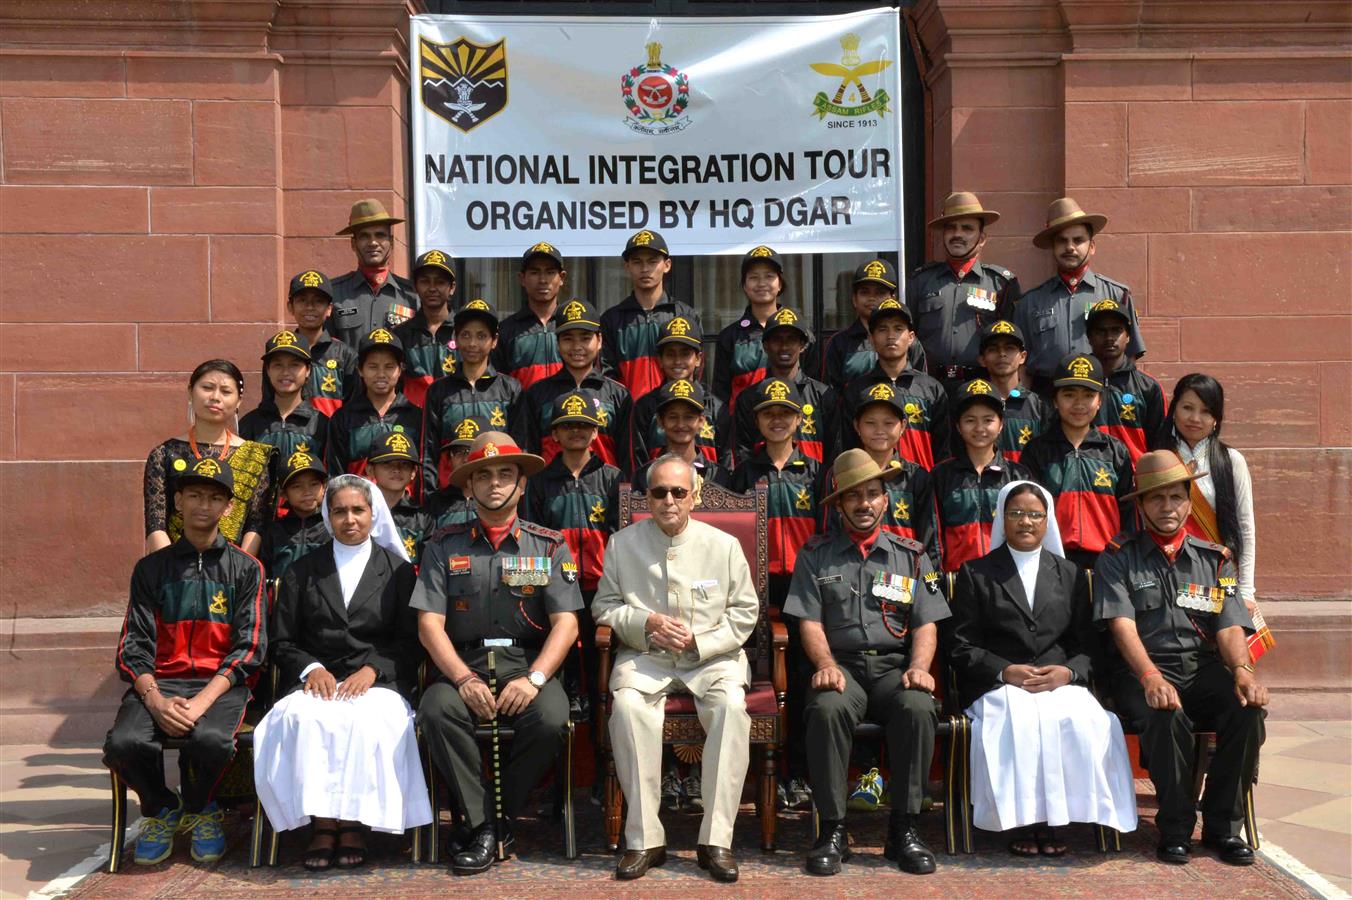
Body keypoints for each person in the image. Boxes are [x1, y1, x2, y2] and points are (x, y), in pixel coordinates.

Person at [413, 432, 581, 875]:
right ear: (467, 487)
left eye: (505, 474)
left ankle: (489, 821)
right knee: (435, 710)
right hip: (462, 665)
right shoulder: (443, 545)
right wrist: (463, 679)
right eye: (482, 475)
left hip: (525, 665)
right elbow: (429, 624)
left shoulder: (548, 545)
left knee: (550, 718)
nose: (493, 483)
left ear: (522, 484)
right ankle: (487, 821)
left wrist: (537, 679)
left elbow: (567, 622)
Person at [1094, 450, 1268, 866]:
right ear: (1140, 505)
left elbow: (1228, 626)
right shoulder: (1118, 556)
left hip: (1200, 667)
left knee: (1247, 710)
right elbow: (1122, 626)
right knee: (1165, 715)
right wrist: (1151, 676)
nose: (1167, 507)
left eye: (1175, 497)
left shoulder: (1216, 559)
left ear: (1190, 501)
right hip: (1142, 670)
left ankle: (1223, 826)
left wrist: (1243, 671)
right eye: (1157, 499)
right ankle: (1174, 828)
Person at [593, 454, 759, 883]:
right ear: (647, 497)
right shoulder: (621, 544)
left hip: (711, 660)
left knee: (730, 710)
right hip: (647, 657)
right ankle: (644, 838)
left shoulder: (722, 546)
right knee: (627, 708)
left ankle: (716, 840)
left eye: (678, 492)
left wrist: (702, 642)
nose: (669, 500)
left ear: (695, 495)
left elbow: (745, 612)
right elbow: (604, 607)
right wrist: (644, 623)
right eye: (659, 492)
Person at [950, 481, 1137, 857]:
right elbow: (961, 646)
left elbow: (1088, 646)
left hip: (1059, 682)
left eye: (1035, 514)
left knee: (1082, 720)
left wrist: (1067, 673)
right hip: (999, 685)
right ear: (1002, 519)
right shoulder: (976, 573)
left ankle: (1062, 819)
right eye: (1016, 513)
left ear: (1047, 520)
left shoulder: (1070, 574)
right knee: (1017, 720)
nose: (1025, 522)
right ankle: (1026, 822)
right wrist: (1005, 671)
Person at [784, 449, 948, 876]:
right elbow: (809, 622)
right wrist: (824, 663)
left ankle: (904, 830)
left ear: (886, 500)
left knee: (917, 707)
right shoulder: (816, 554)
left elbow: (926, 623)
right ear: (838, 504)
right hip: (843, 668)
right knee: (825, 708)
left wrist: (919, 667)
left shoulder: (912, 555)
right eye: (853, 497)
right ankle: (833, 830)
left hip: (895, 667)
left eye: (873, 494)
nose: (864, 504)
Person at [254, 474, 430, 869]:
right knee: (303, 717)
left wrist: (374, 669)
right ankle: (322, 824)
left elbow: (412, 640)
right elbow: (282, 641)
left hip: (378, 682)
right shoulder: (303, 571)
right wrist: (311, 668)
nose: (349, 519)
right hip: (319, 681)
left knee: (367, 721)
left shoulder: (400, 572)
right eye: (339, 511)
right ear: (327, 516)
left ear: (373, 514)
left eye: (358, 510)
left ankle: (353, 824)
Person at [105, 457, 266, 865]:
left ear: (229, 507)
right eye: (194, 494)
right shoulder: (150, 569)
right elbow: (132, 644)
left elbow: (249, 648)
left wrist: (202, 702)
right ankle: (161, 808)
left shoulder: (246, 569)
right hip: (161, 682)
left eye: (215, 497)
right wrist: (156, 700)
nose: (203, 505)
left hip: (218, 685)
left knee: (211, 740)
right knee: (124, 743)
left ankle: (200, 808)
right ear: (177, 501)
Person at [1152, 374, 1268, 659]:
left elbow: (1245, 529)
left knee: (1227, 656)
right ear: (1174, 408)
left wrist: (1247, 592)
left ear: (1217, 418)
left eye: (1206, 411)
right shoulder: (1156, 459)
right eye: (1187, 407)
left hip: (1219, 574)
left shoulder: (1231, 461)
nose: (1195, 418)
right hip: (1168, 573)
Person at [523, 392, 622, 723]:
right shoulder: (538, 482)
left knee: (601, 659)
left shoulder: (614, 479)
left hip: (602, 583)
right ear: (554, 433)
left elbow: (622, 536)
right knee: (560, 659)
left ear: (596, 432)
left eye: (584, 426)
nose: (576, 432)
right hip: (555, 586)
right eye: (567, 426)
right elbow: (531, 540)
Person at [144, 359, 274, 556]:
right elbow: (156, 523)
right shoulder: (164, 454)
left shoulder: (254, 456)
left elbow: (256, 525)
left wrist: (240, 571)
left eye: (226, 391)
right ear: (190, 392)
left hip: (234, 571)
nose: (215, 397)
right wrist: (171, 569)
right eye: (207, 388)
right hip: (174, 572)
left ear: (239, 401)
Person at [1013, 198, 1145, 391]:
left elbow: (1130, 358)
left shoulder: (1117, 295)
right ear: (1053, 247)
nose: (1070, 247)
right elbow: (1021, 366)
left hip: (1100, 396)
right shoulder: (1030, 302)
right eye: (1062, 241)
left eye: (1078, 240)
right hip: (1046, 398)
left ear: (1092, 246)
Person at [1022, 353, 1135, 571]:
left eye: (1088, 395)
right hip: (1050, 563)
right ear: (1055, 400)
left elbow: (1128, 513)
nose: (1079, 404)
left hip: (1108, 562)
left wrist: (1121, 553)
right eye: (1069, 395)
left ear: (1100, 400)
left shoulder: (1115, 451)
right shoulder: (1037, 451)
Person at [823, 381, 941, 571]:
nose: (880, 431)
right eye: (870, 423)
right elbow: (830, 531)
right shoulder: (839, 473)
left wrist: (929, 578)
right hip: (852, 569)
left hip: (905, 573)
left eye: (888, 423)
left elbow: (930, 538)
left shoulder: (918, 477)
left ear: (903, 426)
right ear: (856, 426)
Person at [907, 192, 1021, 386]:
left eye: (967, 228)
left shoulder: (1001, 284)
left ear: (982, 238)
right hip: (929, 385)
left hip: (982, 385)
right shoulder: (921, 280)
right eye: (951, 228)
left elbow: (1015, 343)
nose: (957, 234)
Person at [421, 300, 523, 493]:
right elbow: (429, 452)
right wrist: (433, 499)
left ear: (494, 340)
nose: (473, 343)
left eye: (481, 336)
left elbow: (520, 450)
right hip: (449, 499)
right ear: (456, 339)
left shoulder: (511, 389)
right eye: (466, 335)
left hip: (497, 494)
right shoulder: (439, 391)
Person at [931, 379, 1032, 571]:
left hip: (1007, 578)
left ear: (1001, 424)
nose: (979, 428)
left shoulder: (1018, 475)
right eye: (970, 420)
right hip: (957, 578)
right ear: (958, 426)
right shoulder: (941, 475)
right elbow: (934, 536)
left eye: (988, 420)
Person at [521, 298, 631, 472]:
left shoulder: (618, 395)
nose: (577, 347)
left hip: (605, 494)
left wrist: (624, 498)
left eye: (585, 338)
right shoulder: (537, 394)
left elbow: (627, 460)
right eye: (568, 339)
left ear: (600, 340)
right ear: (557, 343)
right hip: (550, 493)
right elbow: (530, 453)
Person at [841, 298, 950, 470]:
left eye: (898, 329)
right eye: (882, 329)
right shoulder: (857, 390)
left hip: (920, 488)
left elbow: (943, 451)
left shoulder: (931, 389)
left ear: (911, 337)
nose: (891, 336)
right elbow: (849, 447)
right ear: (871, 338)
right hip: (870, 489)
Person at [601, 229, 703, 399]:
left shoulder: (685, 315)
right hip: (628, 415)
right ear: (627, 266)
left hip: (676, 413)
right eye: (637, 262)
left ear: (667, 265)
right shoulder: (612, 319)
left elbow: (697, 371)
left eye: (652, 261)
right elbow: (606, 376)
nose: (645, 269)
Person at [732, 306, 835, 466]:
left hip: (814, 487)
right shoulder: (749, 398)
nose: (784, 346)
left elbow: (834, 452)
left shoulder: (824, 395)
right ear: (765, 346)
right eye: (777, 339)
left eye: (791, 340)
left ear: (802, 345)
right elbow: (742, 453)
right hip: (762, 486)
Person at [628, 317, 730, 473]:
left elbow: (726, 461)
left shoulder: (716, 406)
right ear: (660, 360)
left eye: (685, 354)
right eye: (670, 354)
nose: (678, 361)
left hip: (710, 490)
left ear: (698, 359)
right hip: (661, 492)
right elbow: (638, 461)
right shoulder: (646, 406)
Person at [327, 329, 422, 485]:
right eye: (373, 367)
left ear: (400, 370)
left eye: (389, 367)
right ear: (360, 370)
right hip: (359, 505)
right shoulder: (343, 418)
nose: (381, 374)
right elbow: (336, 473)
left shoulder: (416, 417)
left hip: (404, 506)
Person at [817, 259, 925, 392]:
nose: (872, 298)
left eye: (880, 292)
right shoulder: (839, 343)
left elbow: (922, 388)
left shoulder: (909, 342)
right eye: (864, 292)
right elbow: (830, 395)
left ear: (893, 298)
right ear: (854, 299)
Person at [240, 330, 330, 480]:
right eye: (277, 365)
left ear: (308, 370)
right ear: (268, 370)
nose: (285, 372)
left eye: (294, 365)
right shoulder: (249, 424)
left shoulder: (322, 424)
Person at [327, 199, 419, 346]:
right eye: (364, 236)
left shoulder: (412, 295)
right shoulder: (334, 294)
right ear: (353, 244)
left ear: (391, 242)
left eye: (380, 235)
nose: (373, 242)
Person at [1087, 298, 1166, 464]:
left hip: (1135, 481)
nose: (1109, 337)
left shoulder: (1148, 387)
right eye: (1101, 331)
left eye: (1116, 330)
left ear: (1128, 336)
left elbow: (1160, 443)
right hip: (1089, 479)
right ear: (1089, 337)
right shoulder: (1076, 384)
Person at [712, 245, 783, 412]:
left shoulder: (799, 333)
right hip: (742, 428)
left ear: (780, 283)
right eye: (754, 277)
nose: (761, 283)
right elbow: (720, 395)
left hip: (785, 426)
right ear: (744, 285)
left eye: (769, 276)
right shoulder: (729, 337)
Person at [630, 380, 731, 493]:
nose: (681, 424)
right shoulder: (644, 476)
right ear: (660, 421)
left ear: (702, 421)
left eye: (688, 417)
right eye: (673, 417)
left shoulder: (719, 476)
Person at [283, 270, 358, 417]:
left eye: (318, 301)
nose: (310, 307)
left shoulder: (345, 355)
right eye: (302, 300)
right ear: (290, 307)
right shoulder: (279, 352)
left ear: (329, 309)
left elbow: (353, 410)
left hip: (331, 437)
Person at [974, 320, 1049, 464]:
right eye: (993, 349)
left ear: (1023, 357)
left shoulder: (1039, 406)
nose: (1002, 354)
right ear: (982, 360)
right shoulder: (973, 403)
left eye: (1009, 348)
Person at [494, 241, 566, 388]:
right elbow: (498, 387)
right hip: (521, 411)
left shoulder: (572, 325)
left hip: (570, 410)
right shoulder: (505, 330)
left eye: (550, 272)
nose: (543, 280)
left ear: (562, 278)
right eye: (534, 272)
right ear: (522, 278)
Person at [393, 250, 459, 409]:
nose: (432, 288)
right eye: (425, 281)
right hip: (412, 420)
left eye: (440, 282)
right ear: (415, 286)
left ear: (452, 288)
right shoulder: (400, 335)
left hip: (455, 415)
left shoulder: (464, 331)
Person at [259, 448, 330, 581]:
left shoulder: (331, 527)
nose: (307, 492)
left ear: (324, 487)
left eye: (314, 484)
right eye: (297, 486)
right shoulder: (274, 531)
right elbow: (264, 576)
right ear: (284, 494)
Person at [367, 433, 435, 565]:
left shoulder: (422, 517)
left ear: (413, 473)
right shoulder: (360, 511)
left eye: (404, 464)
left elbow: (429, 565)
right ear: (370, 470)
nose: (397, 470)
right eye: (387, 463)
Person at [426, 416, 486, 531]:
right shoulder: (436, 502)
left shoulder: (495, 496)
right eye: (458, 452)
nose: (465, 459)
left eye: (471, 451)